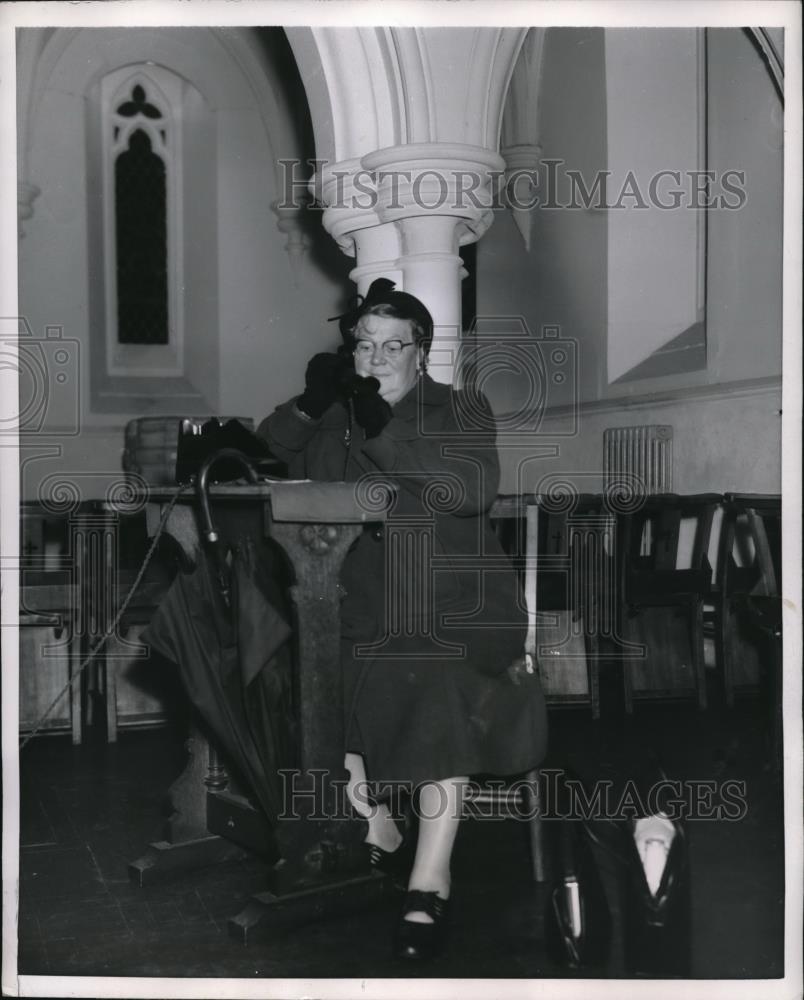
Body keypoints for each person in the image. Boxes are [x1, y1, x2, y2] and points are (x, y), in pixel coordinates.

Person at [258, 279, 547, 960]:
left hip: (458, 605)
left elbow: (471, 491)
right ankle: (374, 820)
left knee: (430, 672)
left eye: (394, 345)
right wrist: (313, 401)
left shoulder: (460, 406)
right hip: (356, 602)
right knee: (311, 667)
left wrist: (383, 431)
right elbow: (272, 445)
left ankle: (429, 877)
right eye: (366, 343)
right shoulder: (337, 412)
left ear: (423, 352)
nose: (378, 356)